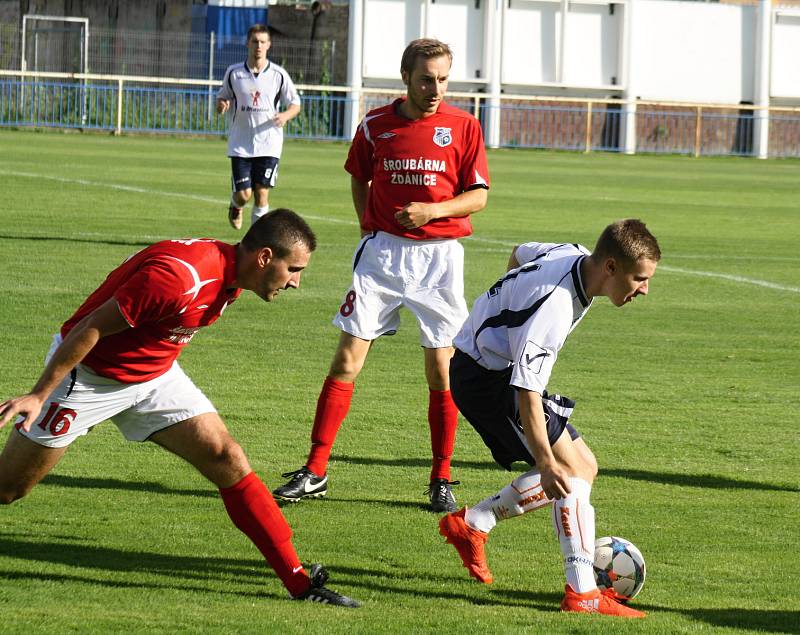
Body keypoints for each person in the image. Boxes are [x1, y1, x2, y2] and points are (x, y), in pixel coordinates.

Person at [0, 209, 358, 608]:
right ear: (264, 258)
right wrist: (38, 393)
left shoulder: (233, 277)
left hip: (155, 377)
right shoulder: (181, 278)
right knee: (9, 488)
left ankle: (300, 583)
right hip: (86, 377)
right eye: (293, 268)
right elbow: (90, 329)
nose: (296, 281)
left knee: (228, 456)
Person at [272, 38, 490, 513]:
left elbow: (478, 197)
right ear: (406, 76)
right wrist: (367, 224)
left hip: (439, 259)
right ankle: (315, 470)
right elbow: (358, 174)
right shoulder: (375, 124)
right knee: (347, 360)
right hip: (383, 258)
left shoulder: (464, 126)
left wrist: (434, 211)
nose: (435, 89)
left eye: (443, 79)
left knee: (441, 370)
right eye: (426, 78)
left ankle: (441, 477)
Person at [438, 219, 660, 617]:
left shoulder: (571, 253)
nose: (644, 289)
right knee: (569, 472)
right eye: (638, 278)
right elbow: (527, 391)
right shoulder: (553, 308)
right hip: (486, 382)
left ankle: (474, 522)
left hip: (490, 369)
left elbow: (520, 253)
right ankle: (582, 593)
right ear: (610, 267)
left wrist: (506, 306)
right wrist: (545, 463)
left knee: (584, 467)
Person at [217, 24, 302, 230]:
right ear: (248, 43)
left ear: (269, 45)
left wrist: (285, 115)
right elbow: (222, 97)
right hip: (241, 143)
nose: (259, 46)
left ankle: (255, 241)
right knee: (244, 194)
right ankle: (236, 205)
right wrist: (221, 105)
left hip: (269, 143)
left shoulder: (278, 74)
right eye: (255, 41)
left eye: (263, 42)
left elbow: (295, 103)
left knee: (262, 192)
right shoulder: (234, 73)